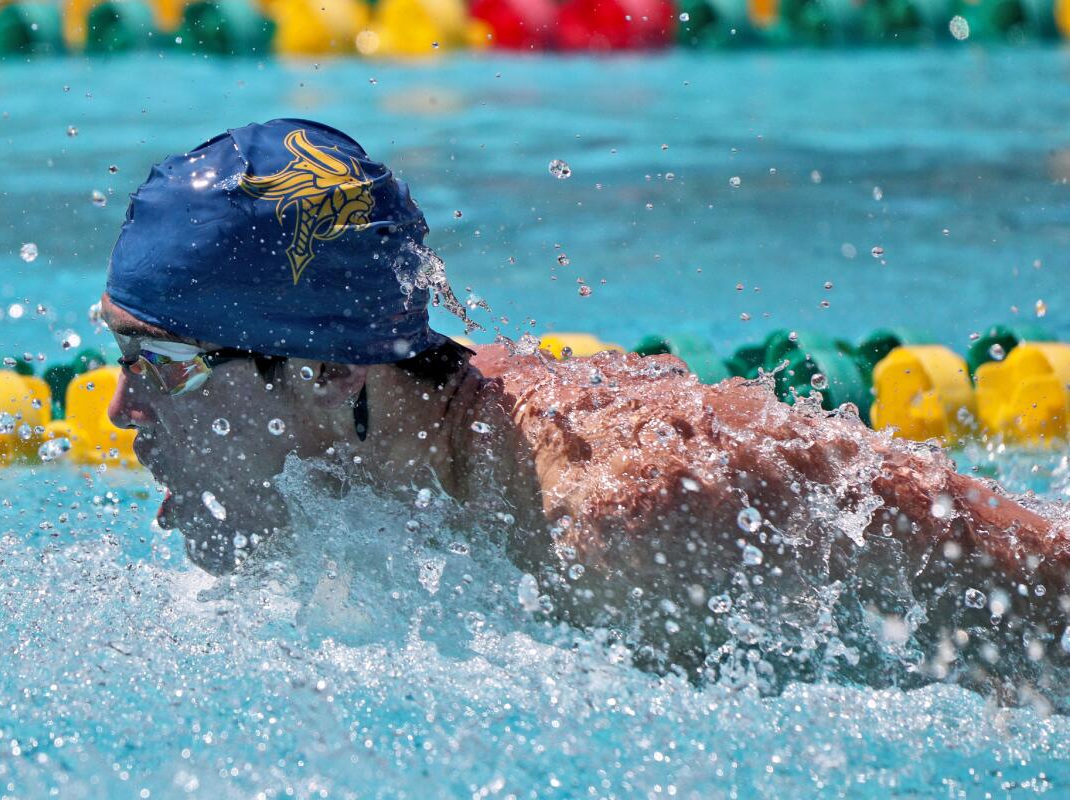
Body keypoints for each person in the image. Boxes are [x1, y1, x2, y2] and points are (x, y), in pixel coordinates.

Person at [102, 119, 1070, 704]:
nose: (121, 409)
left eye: (164, 363)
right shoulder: (378, 476)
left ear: (332, 373)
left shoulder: (621, 522)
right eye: (118, 355)